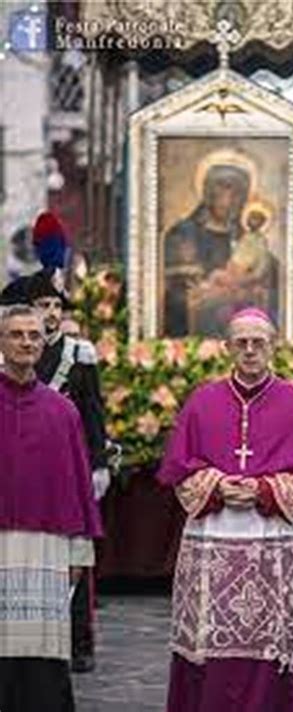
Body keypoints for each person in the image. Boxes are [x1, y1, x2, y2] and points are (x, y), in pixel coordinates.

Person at [157, 307, 293, 712]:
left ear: (272, 346)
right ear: (227, 347)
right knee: (208, 643)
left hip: (274, 541)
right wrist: (219, 486)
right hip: (213, 538)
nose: (249, 350)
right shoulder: (201, 401)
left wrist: (263, 490)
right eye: (241, 343)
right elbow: (179, 470)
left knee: (271, 644)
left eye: (258, 342)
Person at [0, 211, 110, 673]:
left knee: (71, 555)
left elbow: (91, 411)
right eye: (41, 306)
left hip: (65, 464)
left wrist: (99, 461)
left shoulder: (76, 353)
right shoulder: (16, 352)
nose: (48, 315)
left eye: (54, 308)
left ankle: (78, 642)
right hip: (15, 470)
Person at [0, 304, 101, 712]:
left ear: (44, 343)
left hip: (47, 547)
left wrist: (80, 550)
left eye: (34, 335)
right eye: (17, 334)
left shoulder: (63, 411)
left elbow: (78, 485)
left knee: (42, 647)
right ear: (2, 341)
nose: (26, 342)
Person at [164, 162, 250, 335]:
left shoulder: (245, 239)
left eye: (239, 196)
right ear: (209, 194)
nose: (232, 202)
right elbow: (173, 292)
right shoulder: (183, 234)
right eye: (226, 193)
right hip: (192, 332)